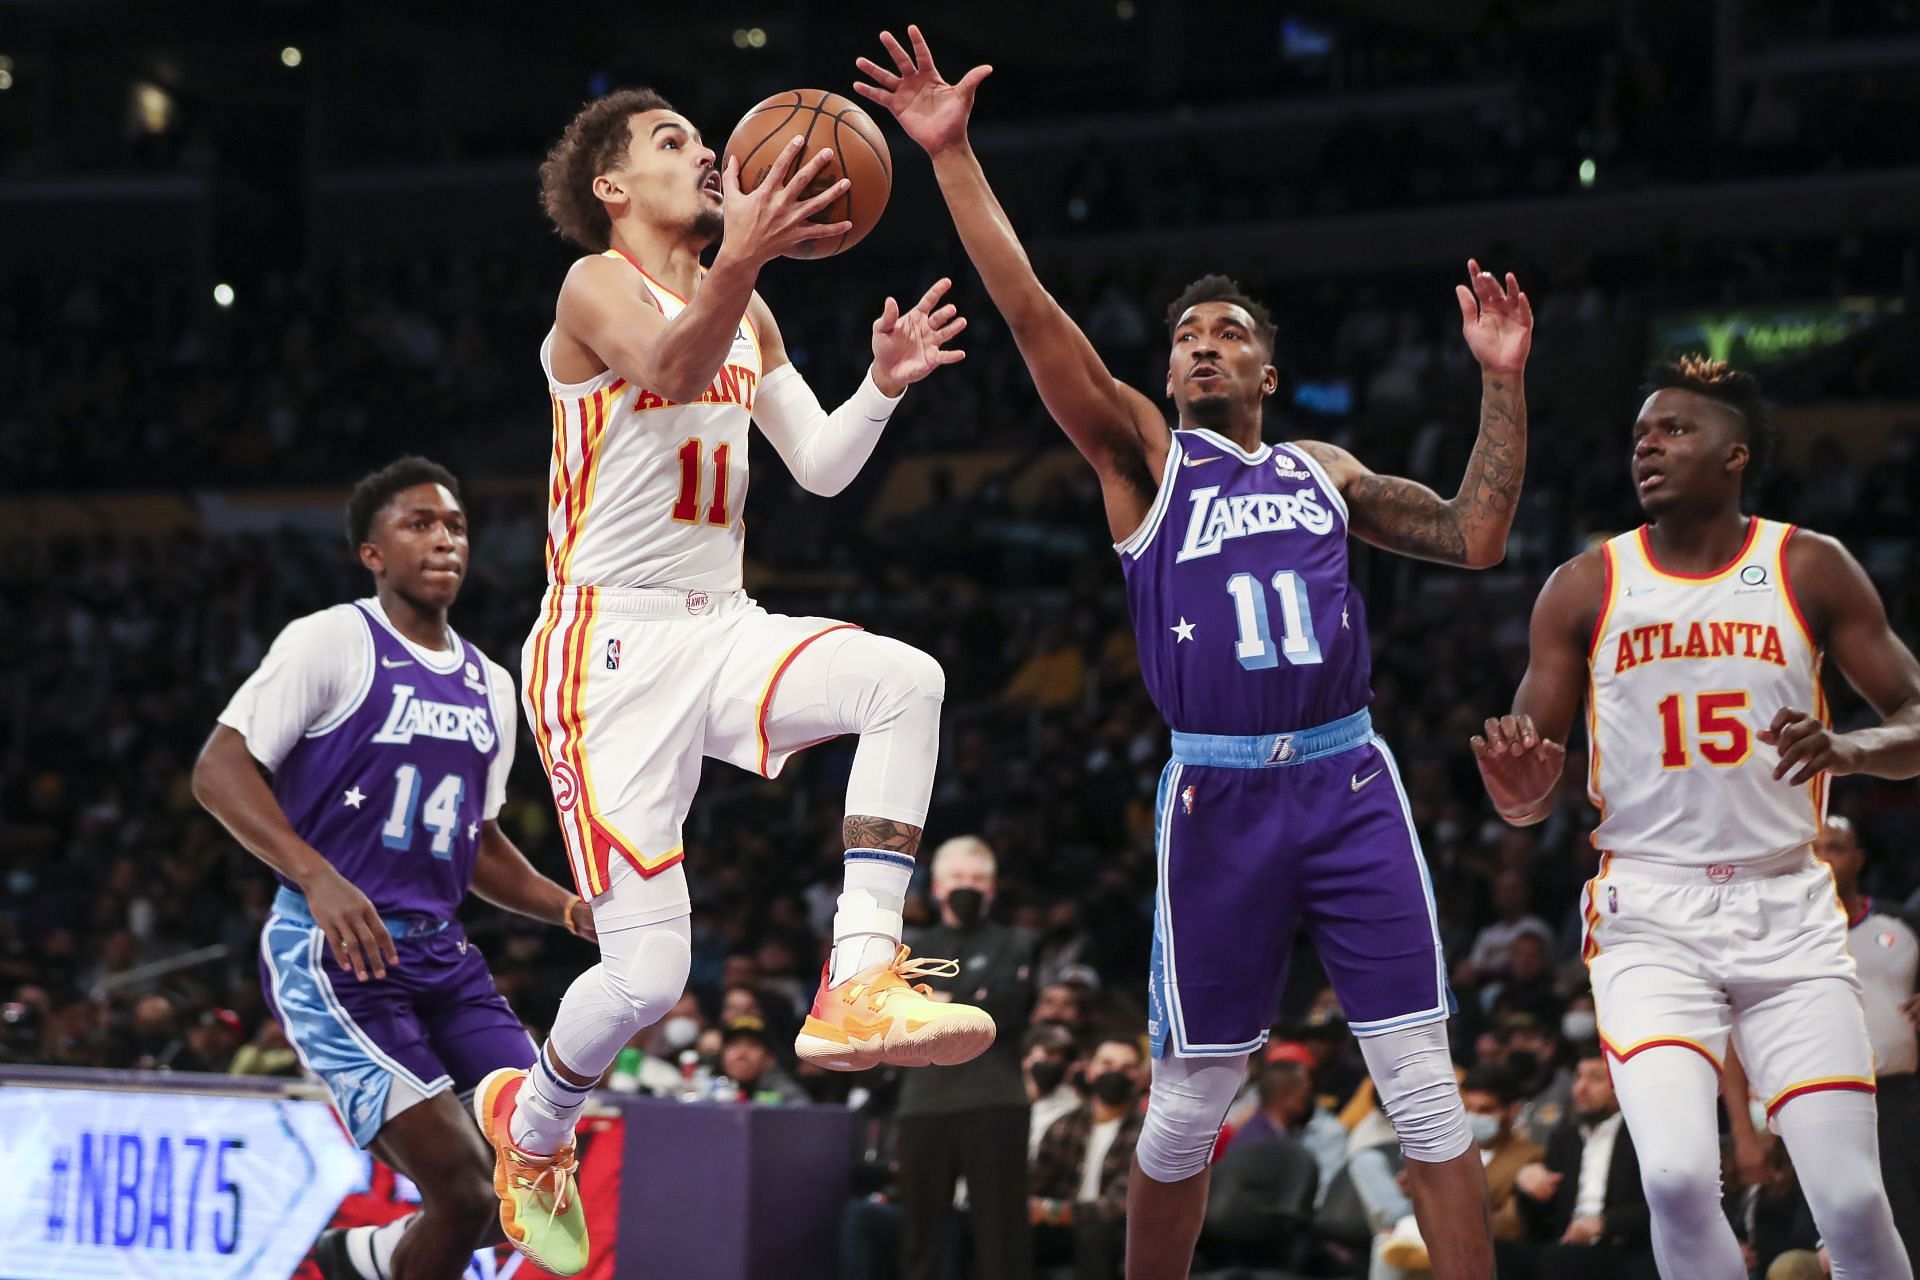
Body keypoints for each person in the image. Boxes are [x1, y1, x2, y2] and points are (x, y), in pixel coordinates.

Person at [856, 26, 1533, 1280]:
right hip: (1218, 792)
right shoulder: (1142, 458)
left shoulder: (1326, 471)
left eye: (1225, 333)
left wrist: (1501, 379)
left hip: (1347, 780)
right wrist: (950, 155)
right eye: (1184, 338)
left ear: (1269, 369)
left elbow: (1480, 535)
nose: (1201, 346)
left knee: (1424, 1088)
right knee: (1187, 1099)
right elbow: (1027, 306)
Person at [472, 88, 994, 1273]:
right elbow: (664, 365)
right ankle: (533, 1119)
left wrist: (883, 382)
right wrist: (744, 260)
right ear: (612, 186)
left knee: (904, 680)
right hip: (600, 654)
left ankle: (859, 973)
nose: (705, 154)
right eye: (673, 144)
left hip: (719, 623)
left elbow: (814, 465)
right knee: (647, 974)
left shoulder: (745, 304)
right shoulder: (595, 287)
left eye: (704, 141)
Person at [1473, 355, 1920, 1279]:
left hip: (1787, 908)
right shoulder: (1584, 585)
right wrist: (1515, 790)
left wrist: (1853, 749)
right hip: (1651, 914)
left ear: (1734, 456)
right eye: (1641, 433)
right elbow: (1526, 800)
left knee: (1852, 1198)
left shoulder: (1808, 565)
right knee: (1675, 1178)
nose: (1649, 444)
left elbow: (1915, 719)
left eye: (1675, 430)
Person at [192, 457, 592, 1280]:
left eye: (454, 526)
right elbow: (219, 769)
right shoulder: (333, 639)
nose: (443, 540)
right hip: (339, 956)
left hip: (445, 957)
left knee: (529, 1185)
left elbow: (475, 841)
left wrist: (566, 908)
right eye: (418, 524)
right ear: (372, 554)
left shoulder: (491, 683)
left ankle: (363, 1257)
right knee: (466, 1195)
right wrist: (318, 876)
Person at [1726, 815, 1920, 1263]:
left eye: (1835, 848)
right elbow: (1734, 1034)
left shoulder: (1903, 923)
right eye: (1814, 849)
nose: (1823, 860)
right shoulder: (1769, 939)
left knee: (1904, 1231)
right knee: (1840, 1246)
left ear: (1858, 858)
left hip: (1900, 1100)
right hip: (1814, 1107)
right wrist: (1743, 1133)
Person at [894, 835, 1037, 1280]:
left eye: (977, 880)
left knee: (1003, 1237)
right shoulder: (908, 949)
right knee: (921, 1238)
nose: (967, 887)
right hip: (923, 1102)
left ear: (992, 890)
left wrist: (937, 1002)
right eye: (958, 878)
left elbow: (1005, 1011)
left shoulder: (1016, 943)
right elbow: (899, 1020)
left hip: (995, 1100)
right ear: (936, 888)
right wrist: (967, 999)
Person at [1501, 1049, 1653, 1280]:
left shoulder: (1641, 1136)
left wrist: (1605, 1224)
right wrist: (1529, 1192)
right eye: (1578, 1077)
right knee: (1497, 1253)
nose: (1581, 1088)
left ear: (1621, 1087)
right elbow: (1542, 1224)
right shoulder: (1564, 1139)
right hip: (1565, 1247)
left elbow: (1659, 1207)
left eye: (1595, 1078)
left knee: (1561, 1261)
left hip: (1621, 1248)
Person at [1030, 1036, 1149, 1279]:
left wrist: (1054, 1211)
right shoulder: (1064, 1125)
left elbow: (1122, 1204)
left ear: (1138, 1077)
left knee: (1094, 1235)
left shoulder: (1147, 1133)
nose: (1115, 1073)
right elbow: (1036, 1185)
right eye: (1107, 1064)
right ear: (1091, 1070)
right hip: (1060, 1228)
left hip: (1116, 1232)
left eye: (1126, 1068)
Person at [717, 1016, 809, 1105]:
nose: (742, 1053)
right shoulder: (707, 1088)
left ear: (769, 1059)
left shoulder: (787, 1096)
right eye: (734, 1045)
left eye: (753, 1045)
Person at [1024, 1023, 1083, 1159]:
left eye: (1064, 1057)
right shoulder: (1002, 1096)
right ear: (1027, 1057)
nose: (1057, 1060)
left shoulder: (1072, 1106)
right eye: (1049, 1053)